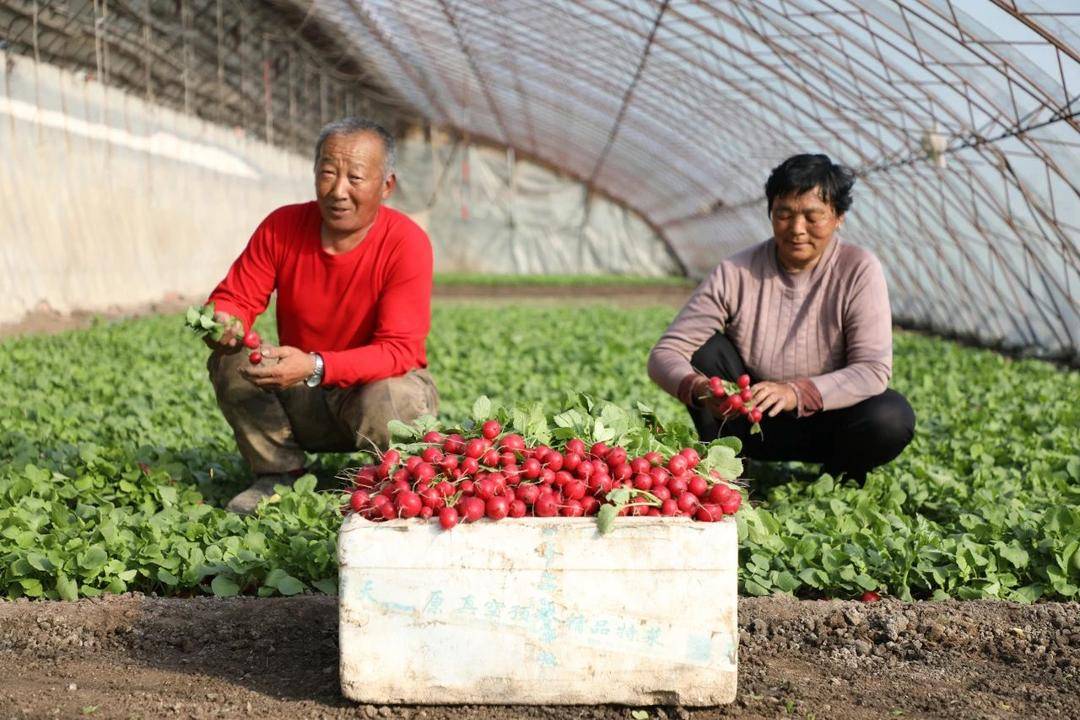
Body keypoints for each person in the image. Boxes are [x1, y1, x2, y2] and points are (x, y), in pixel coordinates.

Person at [203, 117, 438, 513]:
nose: (338, 191)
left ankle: (395, 480)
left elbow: (399, 351)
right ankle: (278, 476)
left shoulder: (406, 243)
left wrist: (315, 365)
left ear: (387, 186)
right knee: (233, 359)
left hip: (368, 393)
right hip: (302, 395)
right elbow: (235, 298)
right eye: (328, 173)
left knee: (392, 391)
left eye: (356, 178)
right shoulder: (283, 227)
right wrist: (223, 321)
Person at [648, 154, 915, 483]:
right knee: (704, 351)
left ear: (838, 217)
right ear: (771, 213)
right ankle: (729, 469)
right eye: (784, 214)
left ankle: (840, 474)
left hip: (830, 421)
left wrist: (796, 392)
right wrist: (700, 388)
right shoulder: (737, 271)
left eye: (812, 217)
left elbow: (872, 369)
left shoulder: (858, 269)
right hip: (752, 420)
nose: (797, 229)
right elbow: (665, 353)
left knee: (890, 416)